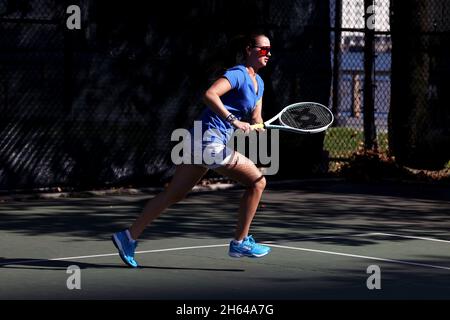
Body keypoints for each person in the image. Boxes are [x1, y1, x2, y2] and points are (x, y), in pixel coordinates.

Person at [112, 33, 273, 267]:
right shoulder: (238, 74)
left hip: (201, 141)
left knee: (174, 195)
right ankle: (240, 242)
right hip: (209, 141)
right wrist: (233, 120)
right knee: (258, 182)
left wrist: (258, 125)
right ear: (249, 49)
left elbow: (256, 115)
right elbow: (209, 94)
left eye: (270, 50)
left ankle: (127, 237)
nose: (267, 54)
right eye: (262, 49)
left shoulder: (260, 84)